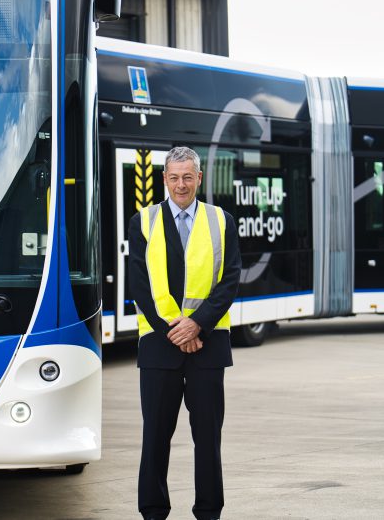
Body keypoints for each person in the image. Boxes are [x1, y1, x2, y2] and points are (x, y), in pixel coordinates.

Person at [128, 146, 242, 520]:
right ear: (164, 179)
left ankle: (209, 512)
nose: (181, 184)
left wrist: (199, 324)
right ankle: (153, 511)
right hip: (160, 347)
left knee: (208, 439)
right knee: (155, 438)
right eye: (174, 177)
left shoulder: (222, 220)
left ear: (199, 178)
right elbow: (140, 286)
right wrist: (176, 330)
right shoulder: (142, 221)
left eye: (187, 176)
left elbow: (229, 280)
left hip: (208, 346)